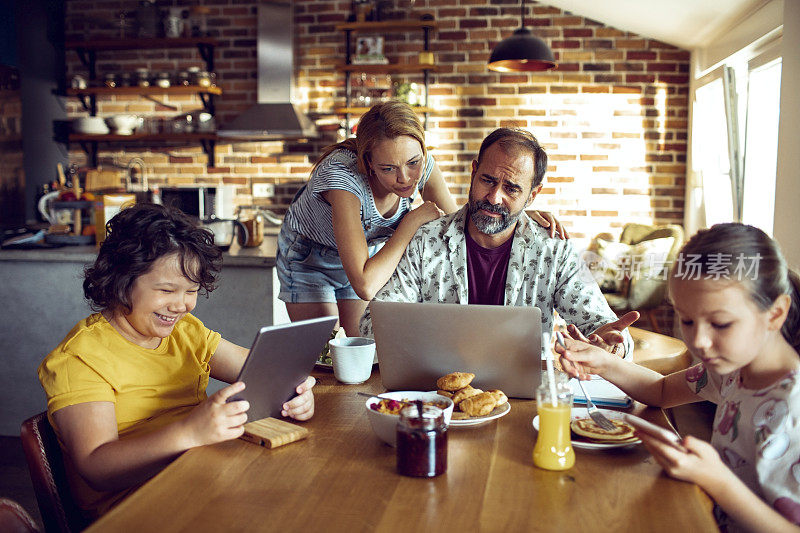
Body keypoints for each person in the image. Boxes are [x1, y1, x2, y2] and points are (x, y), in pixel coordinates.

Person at [38, 203, 316, 519]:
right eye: (167, 290)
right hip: (134, 507)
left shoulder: (185, 332)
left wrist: (295, 389)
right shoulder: (80, 359)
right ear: (121, 279)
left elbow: (265, 370)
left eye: (191, 291)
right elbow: (97, 468)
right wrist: (189, 432)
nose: (182, 305)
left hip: (201, 474)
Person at [556, 223, 800, 532]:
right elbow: (661, 391)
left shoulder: (793, 408)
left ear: (775, 314)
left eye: (721, 324)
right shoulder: (733, 370)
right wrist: (604, 363)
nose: (699, 341)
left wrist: (715, 479)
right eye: (687, 320)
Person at [277, 101, 567, 337]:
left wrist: (510, 213)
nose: (405, 178)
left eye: (413, 163)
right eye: (388, 168)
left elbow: (460, 226)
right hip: (310, 258)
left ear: (422, 151)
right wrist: (411, 222)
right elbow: (365, 284)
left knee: (359, 345)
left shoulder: (423, 164)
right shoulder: (342, 178)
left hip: (365, 257)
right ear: (368, 163)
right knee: (324, 351)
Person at [359, 127, 635, 359]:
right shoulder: (426, 241)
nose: (493, 198)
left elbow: (607, 329)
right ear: (474, 172)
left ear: (532, 195)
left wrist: (613, 347)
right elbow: (372, 327)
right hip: (438, 395)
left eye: (512, 188)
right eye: (487, 180)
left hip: (524, 402)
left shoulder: (553, 249)